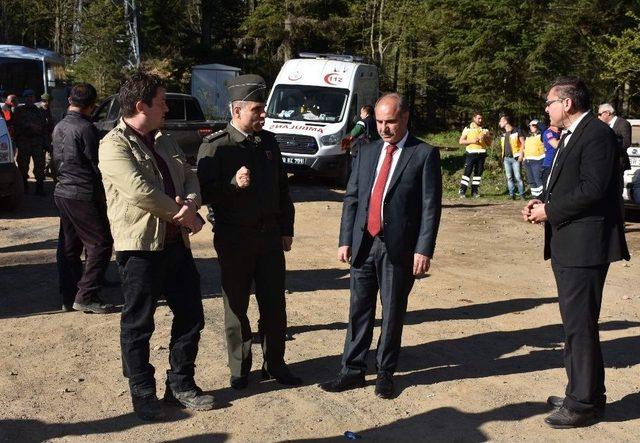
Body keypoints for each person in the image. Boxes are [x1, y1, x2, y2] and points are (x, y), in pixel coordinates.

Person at [99, 72, 214, 421]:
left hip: (175, 244)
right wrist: (184, 216)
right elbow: (139, 192)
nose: (167, 107)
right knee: (138, 322)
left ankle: (180, 383)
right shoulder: (113, 145)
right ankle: (143, 391)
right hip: (141, 248)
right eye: (162, 101)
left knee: (192, 314)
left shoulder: (164, 139)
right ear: (140, 106)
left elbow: (190, 174)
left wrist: (191, 204)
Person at [319, 92, 442, 399]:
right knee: (358, 309)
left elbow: (430, 206)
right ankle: (352, 370)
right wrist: (345, 239)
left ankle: (385, 371)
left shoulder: (423, 154)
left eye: (391, 122)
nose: (384, 128)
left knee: (392, 311)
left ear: (405, 118)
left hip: (398, 247)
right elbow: (353, 197)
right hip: (363, 243)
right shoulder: (367, 150)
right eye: (379, 121)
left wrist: (423, 249)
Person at [522, 77, 629, 429]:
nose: (546, 109)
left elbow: (593, 189)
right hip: (570, 243)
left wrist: (550, 212)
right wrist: (543, 204)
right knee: (576, 324)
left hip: (585, 247)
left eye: (549, 103)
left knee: (579, 326)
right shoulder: (575, 135)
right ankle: (584, 393)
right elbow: (572, 185)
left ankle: (582, 403)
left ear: (566, 103)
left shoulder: (596, 134)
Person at [197, 74, 301, 390]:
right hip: (234, 238)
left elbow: (283, 189)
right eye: (257, 109)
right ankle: (240, 367)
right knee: (236, 306)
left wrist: (286, 228)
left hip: (269, 237)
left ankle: (275, 364)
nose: (263, 115)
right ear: (237, 110)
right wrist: (231, 184)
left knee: (274, 306)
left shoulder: (268, 142)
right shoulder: (215, 147)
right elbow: (202, 193)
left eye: (263, 109)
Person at [52, 83, 114, 314]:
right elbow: (96, 164)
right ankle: (86, 294)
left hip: (63, 191)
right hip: (82, 192)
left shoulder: (59, 126)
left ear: (70, 100)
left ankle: (69, 295)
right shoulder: (86, 129)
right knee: (100, 243)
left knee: (69, 245)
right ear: (91, 105)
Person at [13, 89, 48, 195]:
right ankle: (24, 185)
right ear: (24, 98)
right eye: (27, 97)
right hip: (24, 142)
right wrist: (29, 126)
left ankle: (40, 187)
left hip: (37, 142)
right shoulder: (19, 110)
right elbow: (16, 124)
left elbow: (44, 127)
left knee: (39, 165)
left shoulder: (39, 110)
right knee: (23, 166)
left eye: (31, 96)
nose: (30, 98)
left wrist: (45, 142)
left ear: (34, 98)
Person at [458, 112, 491, 198]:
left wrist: (486, 138)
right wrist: (473, 141)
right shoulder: (468, 128)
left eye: (481, 118)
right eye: (478, 118)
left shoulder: (485, 129)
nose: (480, 120)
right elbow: (461, 141)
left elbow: (489, 144)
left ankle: (474, 192)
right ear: (474, 118)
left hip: (482, 154)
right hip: (471, 154)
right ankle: (462, 191)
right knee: (467, 172)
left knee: (478, 173)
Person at [597, 103, 632, 173]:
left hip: (618, 163)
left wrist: (610, 146)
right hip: (605, 163)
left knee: (617, 184)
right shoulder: (603, 126)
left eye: (600, 114)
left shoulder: (623, 123)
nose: (598, 117)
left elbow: (626, 143)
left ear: (607, 113)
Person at [498, 114, 525, 200]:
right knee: (509, 177)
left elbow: (523, 143)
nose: (499, 123)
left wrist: (521, 154)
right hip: (506, 159)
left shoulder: (517, 131)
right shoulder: (502, 134)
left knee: (518, 177)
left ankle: (522, 195)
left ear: (506, 121)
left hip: (516, 158)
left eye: (501, 121)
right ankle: (511, 194)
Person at [522, 120, 545, 198]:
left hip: (538, 161)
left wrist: (537, 123)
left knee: (538, 180)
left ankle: (543, 197)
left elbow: (544, 129)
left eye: (533, 125)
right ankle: (536, 197)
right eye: (530, 125)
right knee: (531, 181)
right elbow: (525, 148)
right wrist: (524, 158)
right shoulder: (528, 137)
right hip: (528, 161)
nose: (531, 127)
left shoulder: (542, 135)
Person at [38, 93, 57, 180]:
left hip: (49, 137)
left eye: (48, 101)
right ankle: (41, 173)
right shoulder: (38, 110)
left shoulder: (49, 110)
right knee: (40, 157)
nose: (47, 103)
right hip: (40, 138)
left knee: (51, 156)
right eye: (45, 101)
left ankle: (45, 170)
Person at [541, 123, 560, 191]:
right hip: (549, 164)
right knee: (547, 186)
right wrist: (566, 137)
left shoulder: (559, 132)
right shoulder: (548, 132)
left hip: (558, 163)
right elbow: (555, 144)